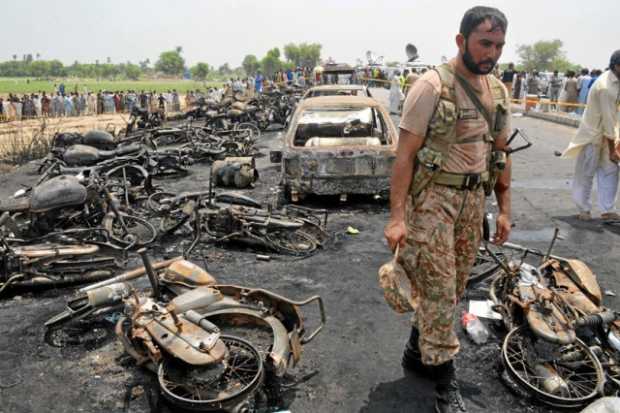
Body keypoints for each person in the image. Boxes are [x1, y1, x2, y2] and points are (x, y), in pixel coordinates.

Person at [384, 6, 511, 412]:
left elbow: (502, 154)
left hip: (474, 200)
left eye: (498, 46)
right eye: (484, 43)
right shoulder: (431, 87)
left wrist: (504, 208)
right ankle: (443, 380)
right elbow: (404, 157)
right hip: (434, 200)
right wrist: (398, 217)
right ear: (461, 41)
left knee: (454, 288)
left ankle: (415, 352)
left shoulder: (499, 91)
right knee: (439, 290)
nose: (491, 53)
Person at [562, 50, 620, 221]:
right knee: (586, 173)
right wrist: (612, 150)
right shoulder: (605, 87)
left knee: (610, 171)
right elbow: (608, 119)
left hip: (610, 134)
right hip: (593, 135)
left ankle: (607, 210)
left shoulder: (617, 82)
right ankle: (583, 209)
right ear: (616, 65)